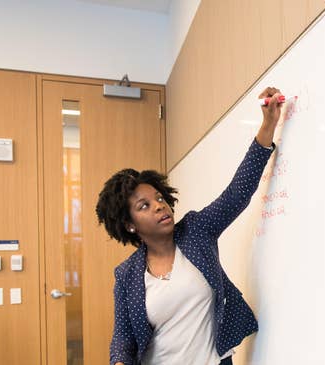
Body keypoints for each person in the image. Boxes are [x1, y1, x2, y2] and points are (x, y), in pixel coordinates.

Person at [96, 87, 284, 365]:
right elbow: (123, 339)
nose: (159, 205)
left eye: (159, 198)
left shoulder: (197, 231)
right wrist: (120, 361)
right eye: (144, 206)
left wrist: (268, 125)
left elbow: (236, 194)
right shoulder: (127, 275)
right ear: (129, 225)